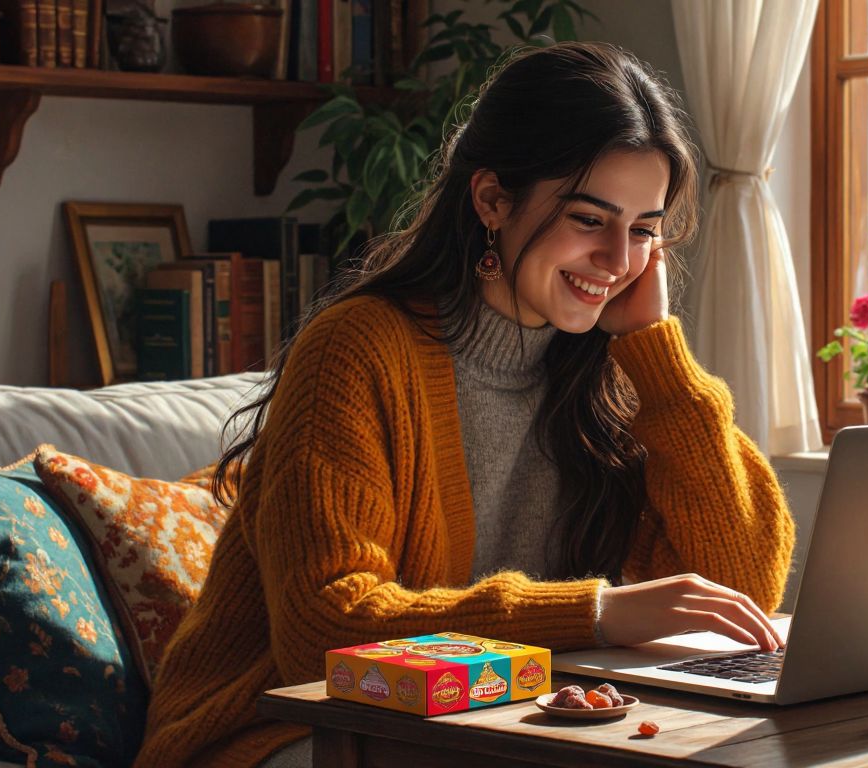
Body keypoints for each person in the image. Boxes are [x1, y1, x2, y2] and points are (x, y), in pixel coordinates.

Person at [134, 41, 795, 768]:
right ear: (491, 200)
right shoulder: (357, 350)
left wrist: (656, 353)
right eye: (588, 219)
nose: (618, 262)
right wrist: (595, 615)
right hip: (291, 731)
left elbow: (742, 594)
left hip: (505, 727)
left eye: (642, 230)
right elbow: (323, 636)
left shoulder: (616, 372)